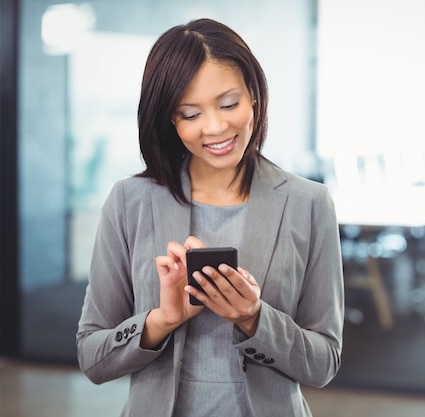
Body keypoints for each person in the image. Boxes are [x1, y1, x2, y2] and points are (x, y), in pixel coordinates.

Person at [76, 18, 344, 417]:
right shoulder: (130, 201)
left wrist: (254, 318)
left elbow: (323, 364)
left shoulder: (309, 202)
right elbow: (93, 358)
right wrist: (161, 320)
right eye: (190, 113)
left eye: (228, 104)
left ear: (254, 95)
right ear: (170, 118)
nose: (215, 127)